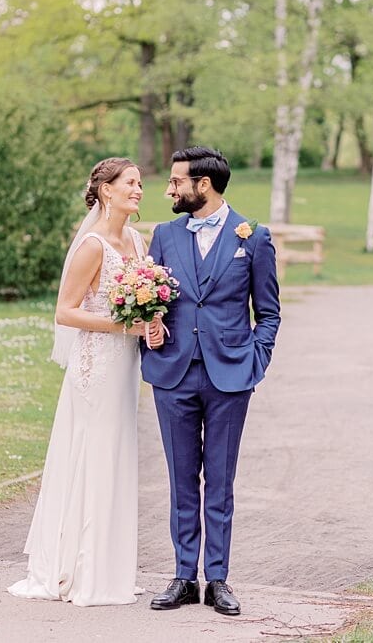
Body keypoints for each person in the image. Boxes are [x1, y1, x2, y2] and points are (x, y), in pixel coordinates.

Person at [9, 157, 161, 606]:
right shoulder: (92, 245)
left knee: (115, 456)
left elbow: (144, 302)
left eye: (140, 183)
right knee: (91, 456)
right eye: (131, 183)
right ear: (107, 190)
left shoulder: (137, 239)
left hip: (125, 369)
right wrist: (126, 326)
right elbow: (66, 312)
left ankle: (107, 567)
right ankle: (76, 568)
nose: (138, 190)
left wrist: (151, 323)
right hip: (95, 368)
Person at [143, 146, 281, 616]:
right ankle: (184, 575)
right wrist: (151, 330)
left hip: (229, 377)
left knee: (220, 481)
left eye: (177, 182)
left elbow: (268, 311)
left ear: (203, 185)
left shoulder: (253, 237)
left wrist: (255, 360)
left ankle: (217, 578)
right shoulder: (163, 234)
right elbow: (150, 299)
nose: (169, 190)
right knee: (182, 479)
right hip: (174, 373)